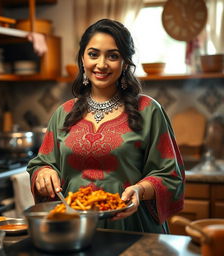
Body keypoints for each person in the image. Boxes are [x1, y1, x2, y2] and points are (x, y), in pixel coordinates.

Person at [27, 18, 185, 233]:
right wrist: (43, 172)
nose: (101, 64)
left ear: (126, 62)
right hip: (73, 227)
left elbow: (170, 176)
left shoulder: (149, 110)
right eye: (93, 54)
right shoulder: (63, 113)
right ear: (82, 59)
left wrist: (139, 190)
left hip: (132, 225)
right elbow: (41, 163)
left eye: (113, 56)